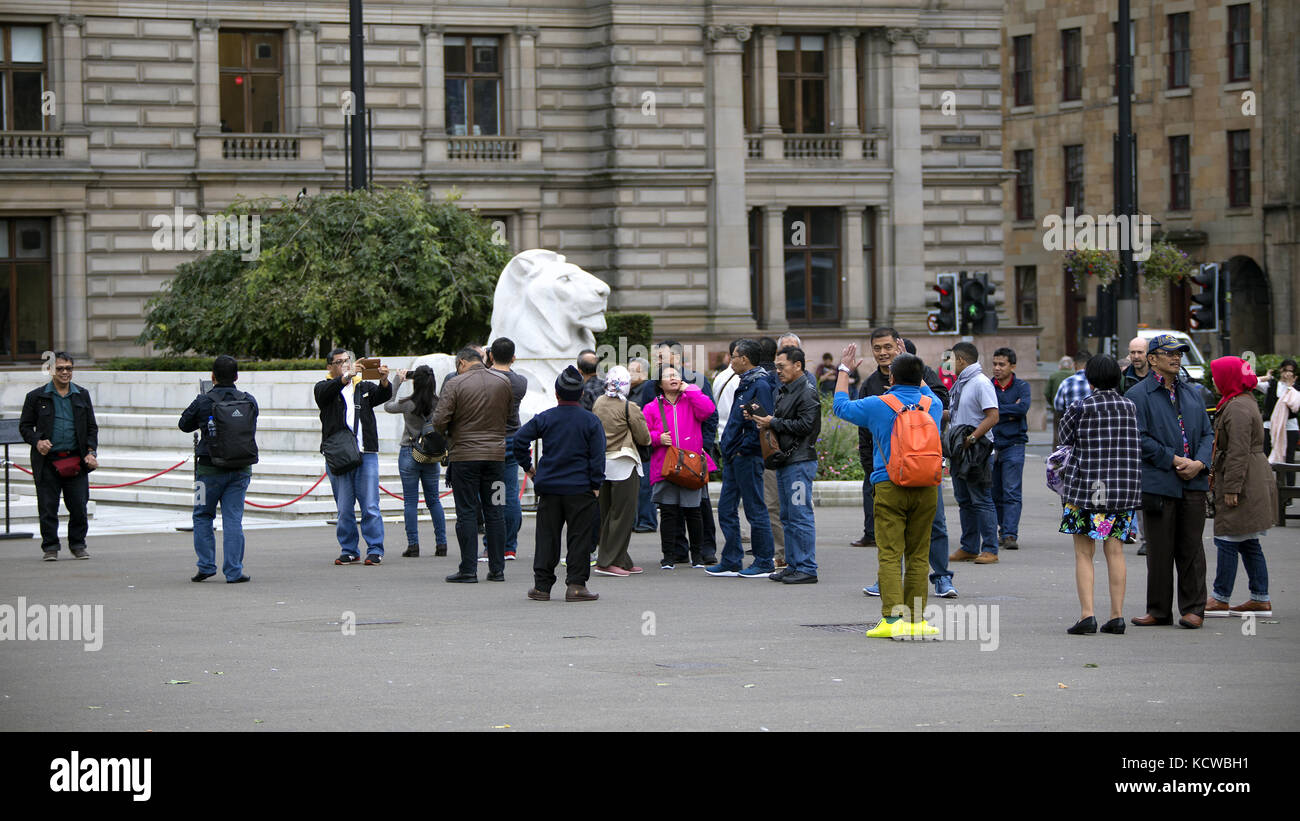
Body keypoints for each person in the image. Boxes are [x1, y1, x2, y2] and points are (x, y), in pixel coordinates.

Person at [833, 347, 943, 638]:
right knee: (919, 554)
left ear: (891, 376)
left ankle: (893, 620)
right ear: (921, 377)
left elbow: (840, 407)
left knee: (891, 553)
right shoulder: (933, 404)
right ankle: (918, 620)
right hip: (927, 486)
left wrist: (844, 370)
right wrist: (914, 368)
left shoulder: (879, 404)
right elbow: (923, 386)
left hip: (889, 483)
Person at [855, 329, 958, 599]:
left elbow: (941, 402)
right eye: (877, 348)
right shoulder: (871, 384)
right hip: (888, 471)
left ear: (898, 346)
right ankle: (889, 582)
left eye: (888, 346)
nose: (883, 352)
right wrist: (869, 467)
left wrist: (912, 374)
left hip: (923, 465)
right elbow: (864, 433)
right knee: (892, 532)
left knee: (935, 525)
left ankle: (942, 578)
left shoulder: (920, 375)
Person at [1127, 334, 1213, 629]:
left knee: (1191, 547)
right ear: (1153, 359)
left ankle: (1193, 609)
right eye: (1170, 354)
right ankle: (1158, 610)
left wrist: (1200, 463)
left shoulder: (1192, 393)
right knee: (1159, 549)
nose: (1176, 358)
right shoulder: (1138, 395)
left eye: (1179, 354)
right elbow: (1137, 438)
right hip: (1159, 481)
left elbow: (1207, 434)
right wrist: (1173, 459)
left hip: (1194, 481)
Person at [1056, 355, 1141, 635]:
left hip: (1086, 492)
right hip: (1120, 492)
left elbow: (1064, 440)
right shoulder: (1130, 406)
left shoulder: (1080, 407)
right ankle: (1116, 616)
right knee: (1114, 550)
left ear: (1089, 379)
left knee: (1084, 553)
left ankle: (1087, 615)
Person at [515, 366, 605, 602]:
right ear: (582, 393)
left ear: (557, 394)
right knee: (580, 537)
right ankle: (576, 585)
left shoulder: (545, 418)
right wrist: (596, 483)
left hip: (550, 486)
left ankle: (542, 586)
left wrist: (529, 468)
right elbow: (598, 456)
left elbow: (519, 440)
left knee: (547, 536)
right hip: (581, 487)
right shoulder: (591, 421)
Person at [431, 347, 513, 583]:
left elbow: (439, 420)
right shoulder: (503, 381)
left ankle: (468, 569)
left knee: (466, 511)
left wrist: (449, 434)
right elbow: (509, 415)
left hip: (465, 457)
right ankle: (497, 569)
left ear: (461, 363)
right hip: (496, 458)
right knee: (496, 511)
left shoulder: (455, 384)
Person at [1205, 356, 1277, 617]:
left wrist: (1232, 489)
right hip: (1253, 476)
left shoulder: (1236, 407)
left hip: (1244, 479)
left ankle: (1220, 596)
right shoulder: (1242, 401)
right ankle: (1260, 597)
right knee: (1247, 540)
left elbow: (1237, 452)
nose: (1213, 380)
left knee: (1227, 537)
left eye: (1216, 375)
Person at [179, 355, 257, 582]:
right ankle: (234, 571)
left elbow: (184, 424)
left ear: (212, 376)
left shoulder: (204, 400)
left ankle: (206, 565)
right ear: (236, 376)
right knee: (233, 519)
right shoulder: (249, 400)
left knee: (202, 516)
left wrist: (203, 407)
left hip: (208, 471)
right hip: (241, 470)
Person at [315, 349, 391, 566]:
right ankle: (349, 549)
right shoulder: (324, 387)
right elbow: (324, 394)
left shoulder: (363, 386)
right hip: (339, 455)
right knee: (344, 507)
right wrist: (345, 377)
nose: (345, 365)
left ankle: (375, 548)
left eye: (347, 361)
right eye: (339, 362)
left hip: (366, 452)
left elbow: (383, 396)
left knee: (370, 505)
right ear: (330, 367)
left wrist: (385, 381)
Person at [20, 352, 99, 561]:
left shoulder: (82, 394)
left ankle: (78, 544)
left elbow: (91, 427)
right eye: (60, 368)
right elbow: (25, 427)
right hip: (47, 461)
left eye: (69, 369)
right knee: (48, 507)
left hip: (76, 460)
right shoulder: (36, 397)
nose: (65, 372)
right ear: (51, 370)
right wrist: (37, 441)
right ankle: (50, 547)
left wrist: (91, 452)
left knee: (79, 507)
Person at [707, 338, 776, 578]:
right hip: (735, 455)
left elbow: (762, 423)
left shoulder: (760, 385)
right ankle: (732, 558)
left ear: (744, 359)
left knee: (755, 508)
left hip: (746, 456)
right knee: (726, 508)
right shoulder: (746, 382)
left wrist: (742, 449)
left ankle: (764, 560)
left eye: (734, 356)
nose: (731, 360)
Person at [753, 346, 821, 583]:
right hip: (787, 461)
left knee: (800, 515)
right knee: (788, 515)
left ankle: (807, 568)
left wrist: (774, 421)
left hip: (800, 462)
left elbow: (807, 426)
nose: (777, 371)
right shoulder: (785, 390)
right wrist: (766, 422)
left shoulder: (807, 391)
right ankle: (793, 564)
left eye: (782, 367)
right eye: (776, 367)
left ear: (798, 365)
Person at [644, 365, 718, 568]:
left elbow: (708, 410)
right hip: (665, 465)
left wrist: (692, 390)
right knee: (668, 513)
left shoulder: (691, 399)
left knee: (693, 513)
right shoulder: (651, 407)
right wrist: (658, 438)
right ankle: (669, 557)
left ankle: (698, 557)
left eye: (676, 375)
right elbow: (643, 434)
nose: (674, 378)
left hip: (691, 465)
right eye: (668, 376)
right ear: (660, 384)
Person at [591, 365, 651, 577]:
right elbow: (644, 438)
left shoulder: (598, 403)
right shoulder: (629, 407)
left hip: (602, 464)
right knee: (623, 516)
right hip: (624, 463)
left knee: (607, 513)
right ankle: (608, 561)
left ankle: (622, 560)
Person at [384, 365, 447, 558]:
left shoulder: (408, 403)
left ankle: (413, 545)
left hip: (409, 452)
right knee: (434, 501)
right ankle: (441, 544)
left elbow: (388, 405)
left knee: (410, 502)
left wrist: (397, 381)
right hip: (431, 455)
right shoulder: (439, 404)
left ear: (415, 381)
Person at [946, 342, 1001, 564]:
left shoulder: (980, 383)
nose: (947, 364)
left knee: (981, 499)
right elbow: (961, 413)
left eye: (949, 360)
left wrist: (972, 438)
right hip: (960, 450)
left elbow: (993, 416)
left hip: (976, 450)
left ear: (960, 360)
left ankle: (990, 548)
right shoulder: (961, 384)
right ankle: (969, 546)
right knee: (964, 499)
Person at [490, 337, 530, 561]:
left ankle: (492, 544)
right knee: (511, 494)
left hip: (490, 440)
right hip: (513, 437)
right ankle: (509, 546)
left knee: (494, 494)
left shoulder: (486, 379)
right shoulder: (520, 382)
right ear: (513, 357)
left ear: (491, 355)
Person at [991, 347, 1030, 551]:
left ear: (1012, 366)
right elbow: (985, 410)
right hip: (992, 444)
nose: (997, 368)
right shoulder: (989, 385)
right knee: (995, 491)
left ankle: (1010, 534)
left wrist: (997, 410)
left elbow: (1022, 408)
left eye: (1002, 364)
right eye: (995, 364)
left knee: (1012, 491)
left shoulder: (1022, 386)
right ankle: (1001, 529)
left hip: (1014, 443)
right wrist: (1008, 411)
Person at [1121, 337, 1153, 555]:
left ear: (1149, 354)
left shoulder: (1159, 377)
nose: (1136, 356)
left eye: (1140, 352)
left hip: (1154, 439)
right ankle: (1138, 536)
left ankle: (1152, 537)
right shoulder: (1123, 379)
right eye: (1133, 352)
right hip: (1130, 443)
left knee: (1151, 492)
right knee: (1132, 493)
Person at [629, 357, 659, 533]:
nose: (631, 374)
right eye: (629, 370)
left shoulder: (647, 391)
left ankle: (647, 520)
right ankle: (635, 520)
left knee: (646, 485)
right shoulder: (628, 392)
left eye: (635, 370)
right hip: (633, 445)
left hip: (646, 444)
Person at [1262, 359, 1299, 485]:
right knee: (1265, 456)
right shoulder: (1272, 384)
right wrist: (1266, 377)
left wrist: (1290, 386)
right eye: (1285, 370)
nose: (1287, 374)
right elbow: (1252, 382)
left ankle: (1288, 489)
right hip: (1269, 426)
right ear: (1280, 370)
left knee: (1288, 458)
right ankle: (1266, 488)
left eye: (1290, 371)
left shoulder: (1296, 388)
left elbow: (1294, 405)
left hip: (1289, 427)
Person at [1047, 355, 1076, 448]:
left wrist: (1052, 403)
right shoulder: (1074, 375)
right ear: (1072, 365)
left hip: (1058, 409)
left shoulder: (1054, 376)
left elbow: (1047, 392)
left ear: (1060, 366)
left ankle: (1057, 455)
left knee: (1057, 433)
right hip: (1074, 408)